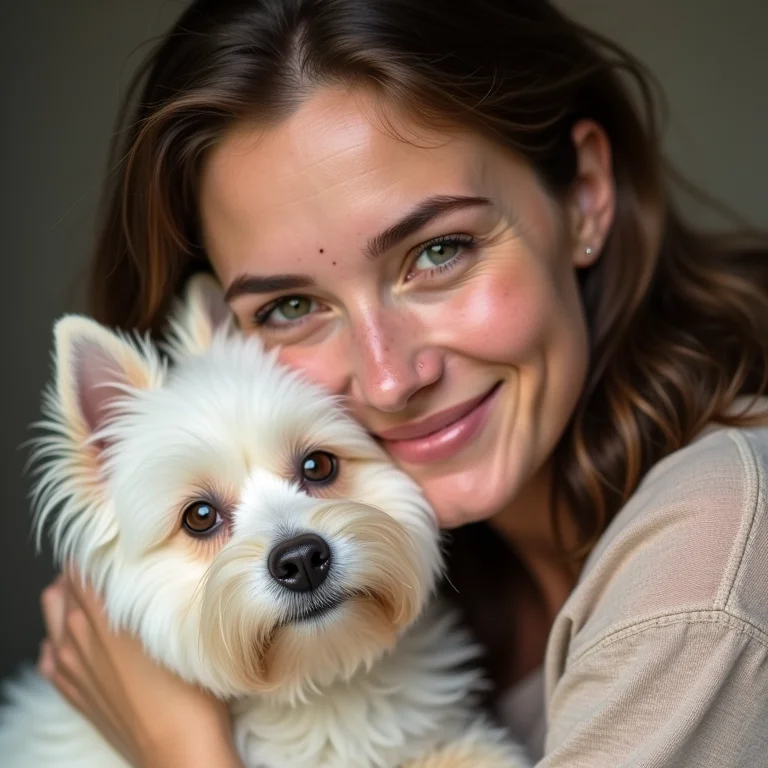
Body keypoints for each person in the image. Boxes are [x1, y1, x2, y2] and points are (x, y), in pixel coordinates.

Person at [34, 0, 768, 765]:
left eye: (440, 251)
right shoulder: (449, 579)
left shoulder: (709, 567)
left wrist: (182, 749)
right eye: (292, 306)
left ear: (583, 191)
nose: (388, 381)